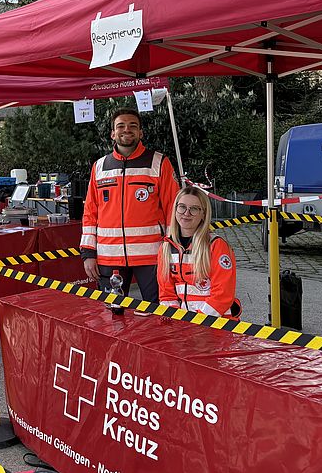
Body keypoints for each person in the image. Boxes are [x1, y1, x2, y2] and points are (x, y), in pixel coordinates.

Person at [80, 108, 179, 314]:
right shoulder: (99, 167)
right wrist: (88, 253)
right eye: (121, 126)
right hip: (109, 257)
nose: (127, 130)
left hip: (152, 257)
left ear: (141, 132)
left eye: (133, 126)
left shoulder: (159, 162)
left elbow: (173, 208)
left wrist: (173, 249)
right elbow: (90, 213)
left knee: (158, 314)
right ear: (112, 134)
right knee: (113, 316)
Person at [157, 186, 239, 319]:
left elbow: (222, 295)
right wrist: (174, 321)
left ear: (203, 214)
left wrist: (197, 323)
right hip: (185, 325)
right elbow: (167, 295)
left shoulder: (216, 246)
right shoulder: (166, 248)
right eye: (182, 207)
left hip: (217, 324)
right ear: (175, 209)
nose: (186, 213)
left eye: (194, 209)